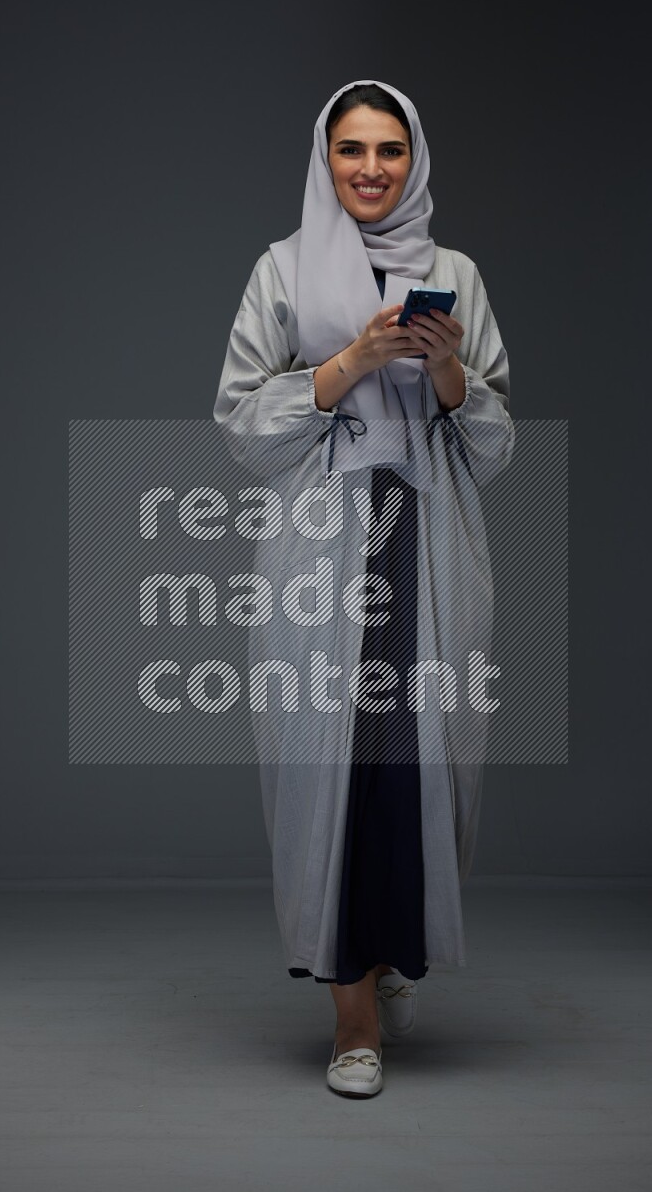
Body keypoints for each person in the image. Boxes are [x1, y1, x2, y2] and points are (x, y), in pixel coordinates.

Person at [213, 79, 514, 1097]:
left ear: (414, 157)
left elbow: (496, 439)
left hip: (428, 545)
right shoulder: (283, 270)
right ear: (324, 157)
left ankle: (386, 953)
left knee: (419, 765)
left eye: (390, 150)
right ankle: (349, 1016)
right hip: (322, 547)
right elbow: (242, 421)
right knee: (324, 766)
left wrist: (442, 374)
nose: (371, 170)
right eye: (351, 150)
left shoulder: (455, 275)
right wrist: (350, 358)